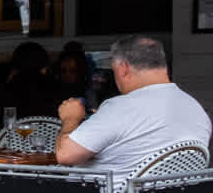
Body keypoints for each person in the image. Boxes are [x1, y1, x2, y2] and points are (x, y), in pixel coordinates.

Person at [56, 36, 211, 185]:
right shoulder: (195, 109)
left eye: (113, 71)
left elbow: (65, 156)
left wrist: (71, 119)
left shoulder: (121, 108)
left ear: (123, 68)